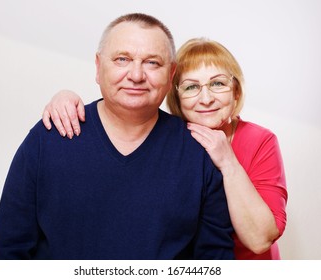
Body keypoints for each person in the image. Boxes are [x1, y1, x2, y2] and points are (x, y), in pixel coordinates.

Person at [0, 13, 234, 260]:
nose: (136, 75)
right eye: (122, 59)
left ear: (171, 75)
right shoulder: (49, 138)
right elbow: (8, 252)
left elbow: (216, 261)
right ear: (98, 67)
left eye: (152, 63)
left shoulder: (198, 152)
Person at [42, 38, 288, 260]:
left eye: (218, 84)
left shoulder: (261, 140)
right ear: (176, 95)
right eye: (191, 87)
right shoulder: (169, 138)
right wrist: (65, 97)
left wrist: (228, 162)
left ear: (235, 91)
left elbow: (260, 240)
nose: (206, 99)